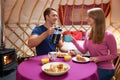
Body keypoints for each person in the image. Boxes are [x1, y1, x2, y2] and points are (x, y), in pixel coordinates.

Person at [71, 8, 118, 80]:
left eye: (90, 16)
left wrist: (98, 58)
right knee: (76, 74)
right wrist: (74, 41)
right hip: (92, 66)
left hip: (105, 69)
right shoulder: (88, 33)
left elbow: (114, 55)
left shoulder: (108, 35)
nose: (87, 18)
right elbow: (84, 51)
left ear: (97, 18)